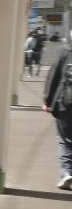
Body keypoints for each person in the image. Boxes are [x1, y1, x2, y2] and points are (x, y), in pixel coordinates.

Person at [42, 40, 72, 190]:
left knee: (65, 140)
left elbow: (53, 76)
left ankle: (67, 172)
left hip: (66, 104)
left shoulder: (66, 51)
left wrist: (47, 101)